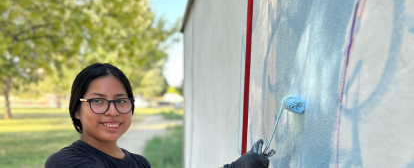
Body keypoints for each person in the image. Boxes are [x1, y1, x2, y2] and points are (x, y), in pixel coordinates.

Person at [45, 63, 274, 168]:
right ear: (76, 109)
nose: (112, 111)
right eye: (98, 101)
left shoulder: (139, 163)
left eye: (121, 101)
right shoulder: (65, 162)